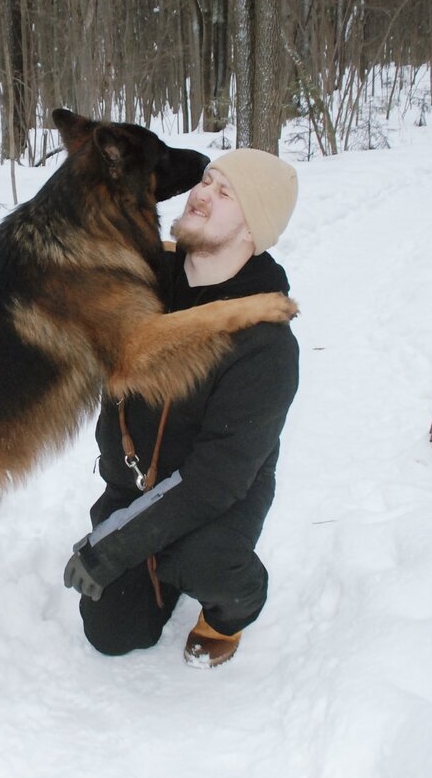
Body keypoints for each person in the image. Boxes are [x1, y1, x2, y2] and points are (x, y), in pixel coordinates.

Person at [63, 148, 299, 667]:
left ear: (252, 230)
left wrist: (115, 548)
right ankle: (154, 558)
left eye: (224, 192)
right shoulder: (142, 275)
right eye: (206, 181)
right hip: (135, 484)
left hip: (215, 498)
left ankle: (235, 606)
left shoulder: (266, 345)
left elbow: (213, 481)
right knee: (113, 633)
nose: (201, 194)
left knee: (201, 559)